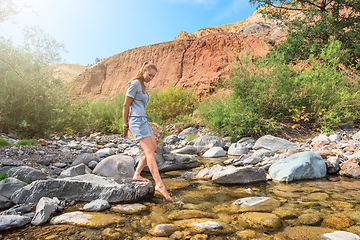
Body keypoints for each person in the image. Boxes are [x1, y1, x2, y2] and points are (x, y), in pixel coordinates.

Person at [122, 62, 172, 201]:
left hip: (143, 120)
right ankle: (159, 184)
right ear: (143, 71)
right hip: (136, 121)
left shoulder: (143, 86)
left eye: (153, 76)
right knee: (149, 151)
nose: (151, 78)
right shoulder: (135, 84)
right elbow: (126, 105)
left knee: (153, 147)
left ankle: (137, 174)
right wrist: (125, 124)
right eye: (149, 75)